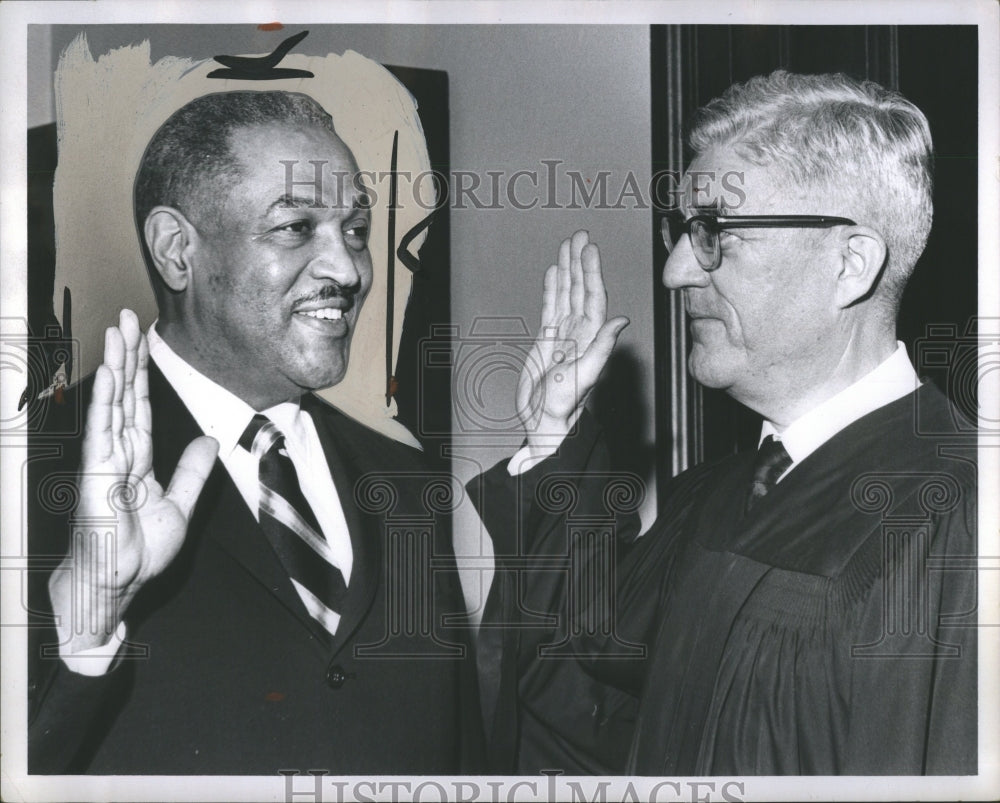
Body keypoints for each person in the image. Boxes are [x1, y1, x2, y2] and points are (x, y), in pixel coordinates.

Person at [471, 70, 977, 775]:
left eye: (714, 232)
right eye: (682, 231)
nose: (676, 270)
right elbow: (581, 697)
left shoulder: (956, 520)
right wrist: (554, 433)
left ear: (850, 263)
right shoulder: (711, 496)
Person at [28, 90, 482, 775]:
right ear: (177, 250)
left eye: (355, 230)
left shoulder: (409, 485)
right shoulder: (36, 471)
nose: (350, 270)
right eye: (297, 227)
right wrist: (85, 636)